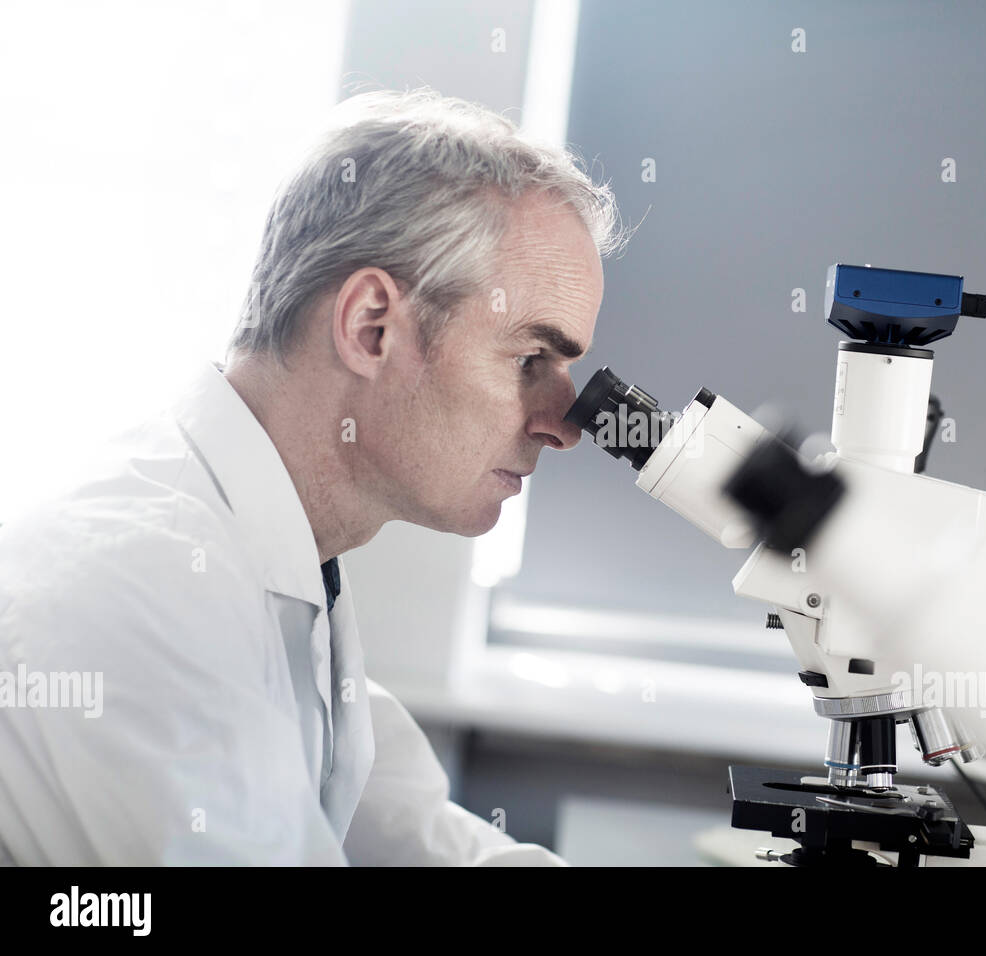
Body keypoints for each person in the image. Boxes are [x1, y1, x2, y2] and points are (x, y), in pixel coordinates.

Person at [0, 89, 625, 864]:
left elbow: (411, 839)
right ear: (372, 327)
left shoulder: (286, 563)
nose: (564, 425)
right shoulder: (148, 583)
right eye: (531, 359)